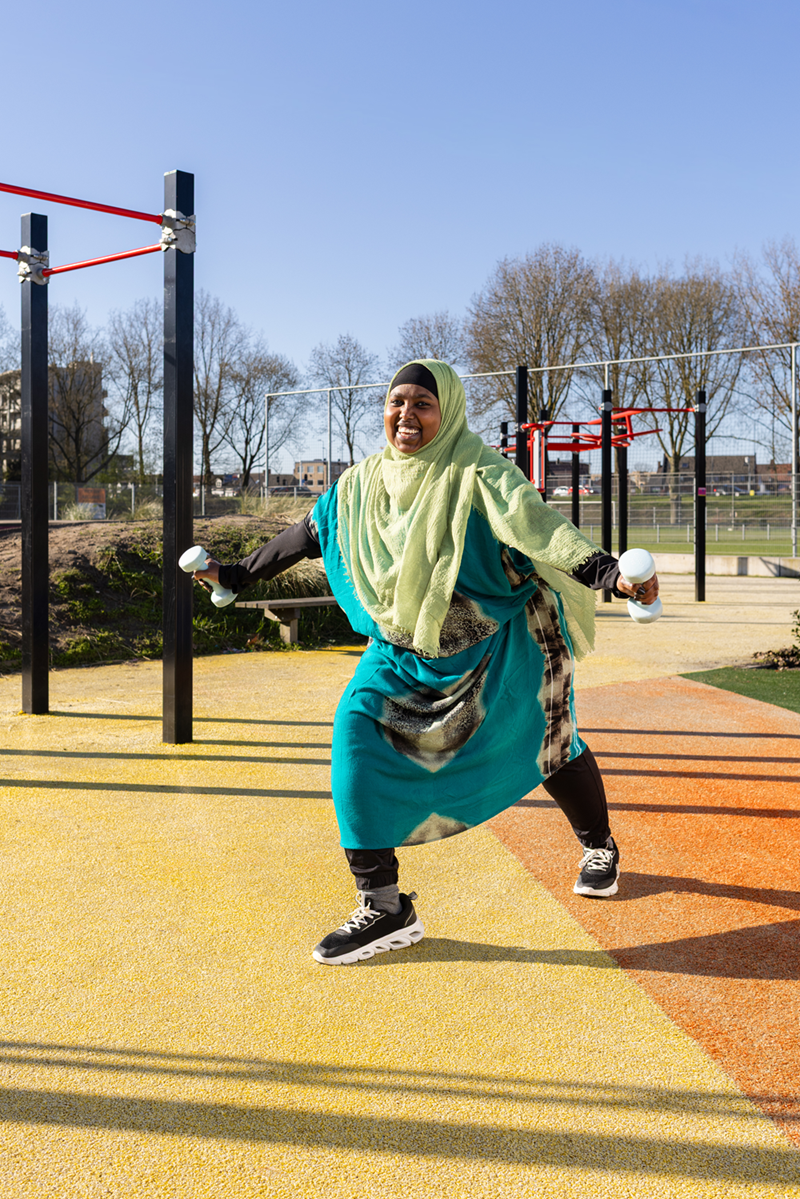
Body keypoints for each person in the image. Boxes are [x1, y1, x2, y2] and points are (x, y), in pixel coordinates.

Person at [194, 360, 659, 966]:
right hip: (404, 647)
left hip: (500, 639)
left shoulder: (479, 473)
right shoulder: (361, 485)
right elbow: (308, 532)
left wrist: (613, 578)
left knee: (549, 742)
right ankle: (384, 905)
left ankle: (598, 845)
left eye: (423, 404)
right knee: (355, 733)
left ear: (448, 413)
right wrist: (232, 575)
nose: (406, 415)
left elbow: (543, 531)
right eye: (397, 402)